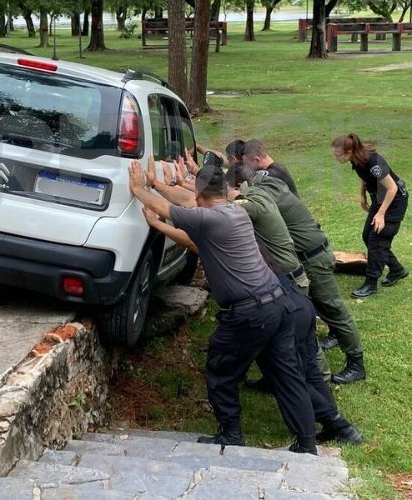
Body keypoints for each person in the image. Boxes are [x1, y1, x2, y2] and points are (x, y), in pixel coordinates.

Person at [130, 162, 318, 453]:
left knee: (220, 369)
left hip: (250, 313)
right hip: (279, 303)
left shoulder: (207, 219)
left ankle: (231, 434)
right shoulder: (235, 211)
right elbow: (191, 234)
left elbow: (165, 207)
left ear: (200, 196)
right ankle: (307, 445)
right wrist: (158, 214)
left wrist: (138, 188)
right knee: (287, 374)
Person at [248, 170, 367, 385]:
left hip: (313, 258)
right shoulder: (273, 184)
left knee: (333, 309)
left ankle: (356, 364)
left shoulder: (263, 195)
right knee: (314, 311)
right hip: (310, 256)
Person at [254, 242, 363, 445]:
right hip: (300, 304)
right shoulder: (250, 239)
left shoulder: (234, 241)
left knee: (288, 376)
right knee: (310, 371)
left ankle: (338, 425)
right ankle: (333, 426)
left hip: (285, 311)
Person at [332, 134, 409, 299]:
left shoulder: (374, 163)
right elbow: (364, 177)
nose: (335, 158)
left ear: (349, 151)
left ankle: (371, 283)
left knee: (377, 240)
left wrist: (381, 214)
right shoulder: (356, 159)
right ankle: (397, 269)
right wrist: (362, 194)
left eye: (337, 155)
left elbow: (392, 188)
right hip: (379, 198)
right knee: (367, 236)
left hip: (393, 202)